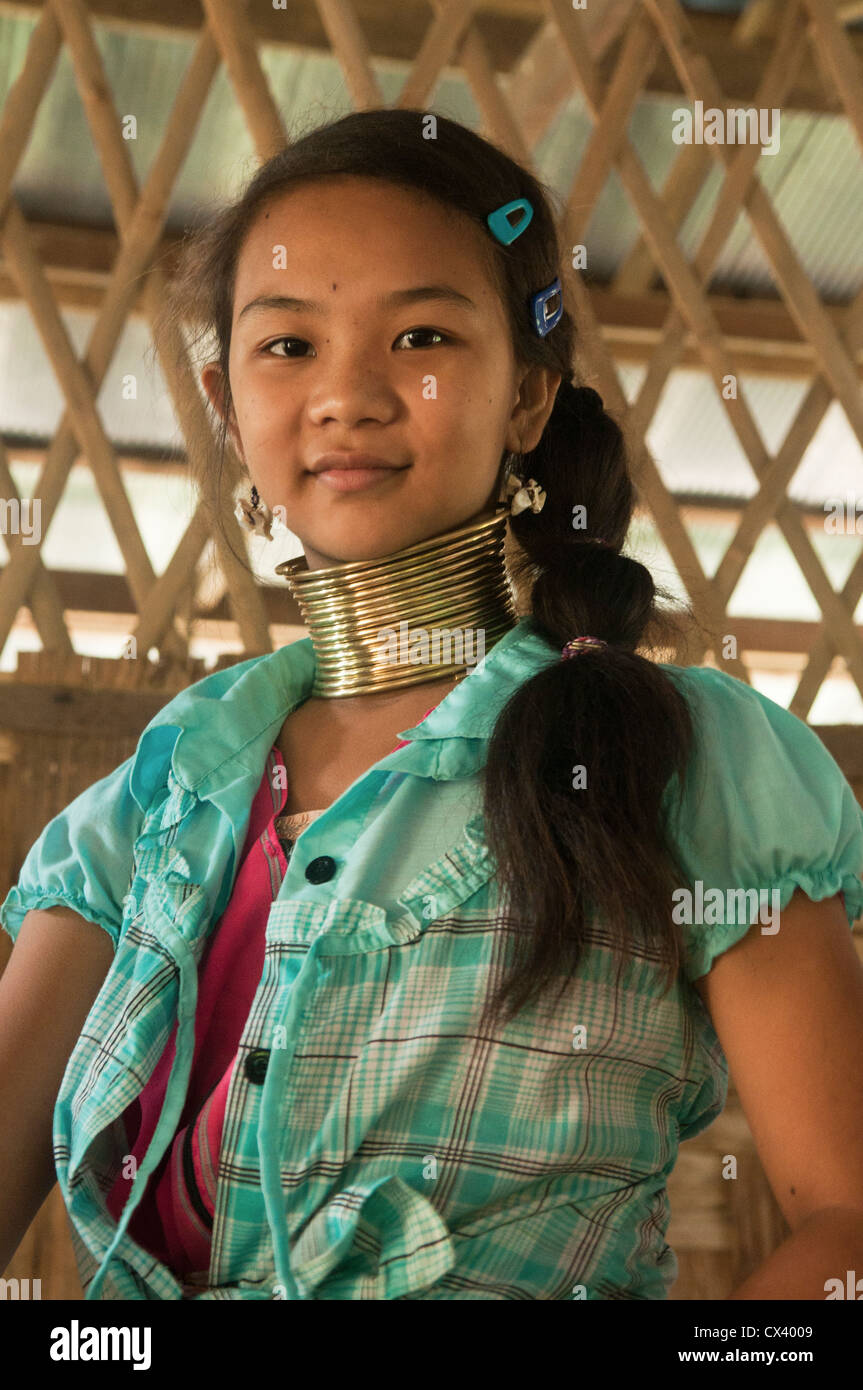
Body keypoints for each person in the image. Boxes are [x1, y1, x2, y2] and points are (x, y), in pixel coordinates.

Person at [2, 108, 863, 1301]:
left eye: (418, 335)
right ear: (220, 397)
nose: (344, 396)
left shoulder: (681, 758)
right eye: (287, 347)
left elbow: (849, 1223)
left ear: (526, 397)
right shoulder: (145, 813)